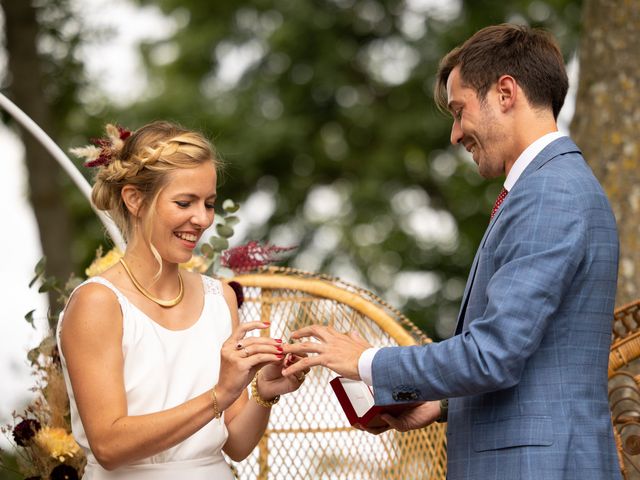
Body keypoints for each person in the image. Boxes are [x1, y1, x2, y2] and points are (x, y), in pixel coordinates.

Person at [283, 24, 621, 479]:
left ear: (505, 92)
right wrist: (441, 403)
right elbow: (532, 358)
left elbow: (493, 353)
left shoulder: (549, 193)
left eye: (460, 111)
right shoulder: (551, 186)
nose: (456, 134)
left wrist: (365, 360)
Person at [57, 121, 307, 479]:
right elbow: (109, 446)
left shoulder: (219, 297)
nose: (203, 219)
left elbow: (236, 444)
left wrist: (265, 393)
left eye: (208, 203)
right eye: (184, 202)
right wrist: (219, 395)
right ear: (134, 199)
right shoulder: (98, 303)